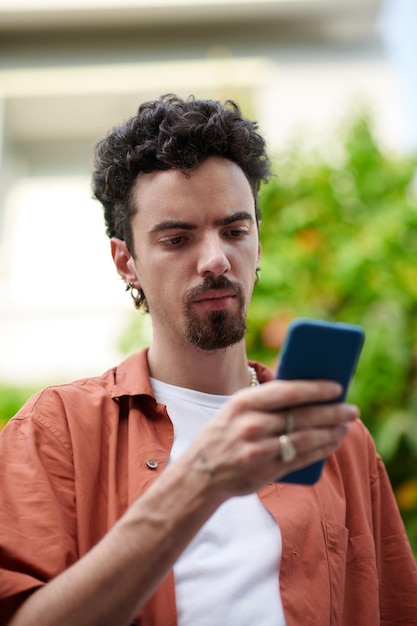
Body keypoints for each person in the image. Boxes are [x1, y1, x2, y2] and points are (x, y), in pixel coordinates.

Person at [0, 95, 416, 626]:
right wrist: (201, 480)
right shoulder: (54, 430)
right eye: (177, 238)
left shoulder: (341, 443)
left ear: (259, 244)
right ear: (127, 261)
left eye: (236, 231)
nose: (216, 259)